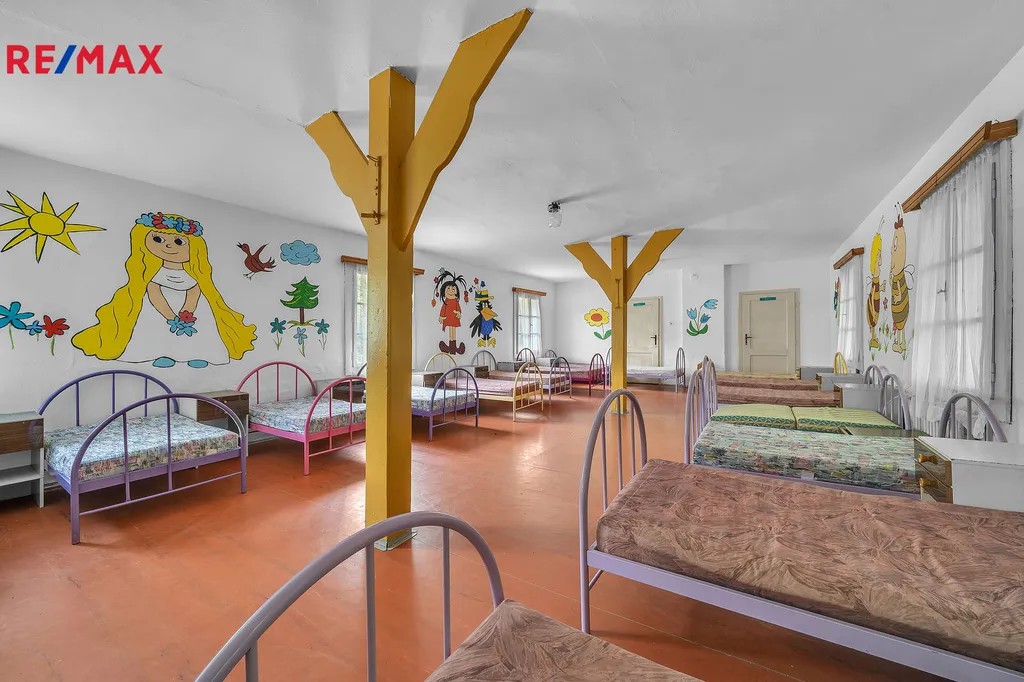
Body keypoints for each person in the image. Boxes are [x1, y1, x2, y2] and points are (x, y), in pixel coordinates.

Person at [73, 212, 256, 367]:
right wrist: (170, 316)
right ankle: (162, 354)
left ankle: (199, 354)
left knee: (201, 331)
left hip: (191, 310)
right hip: (159, 309)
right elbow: (154, 293)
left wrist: (186, 313)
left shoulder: (194, 274)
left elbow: (194, 292)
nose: (168, 246)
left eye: (179, 242)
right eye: (158, 239)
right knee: (156, 330)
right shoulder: (154, 273)